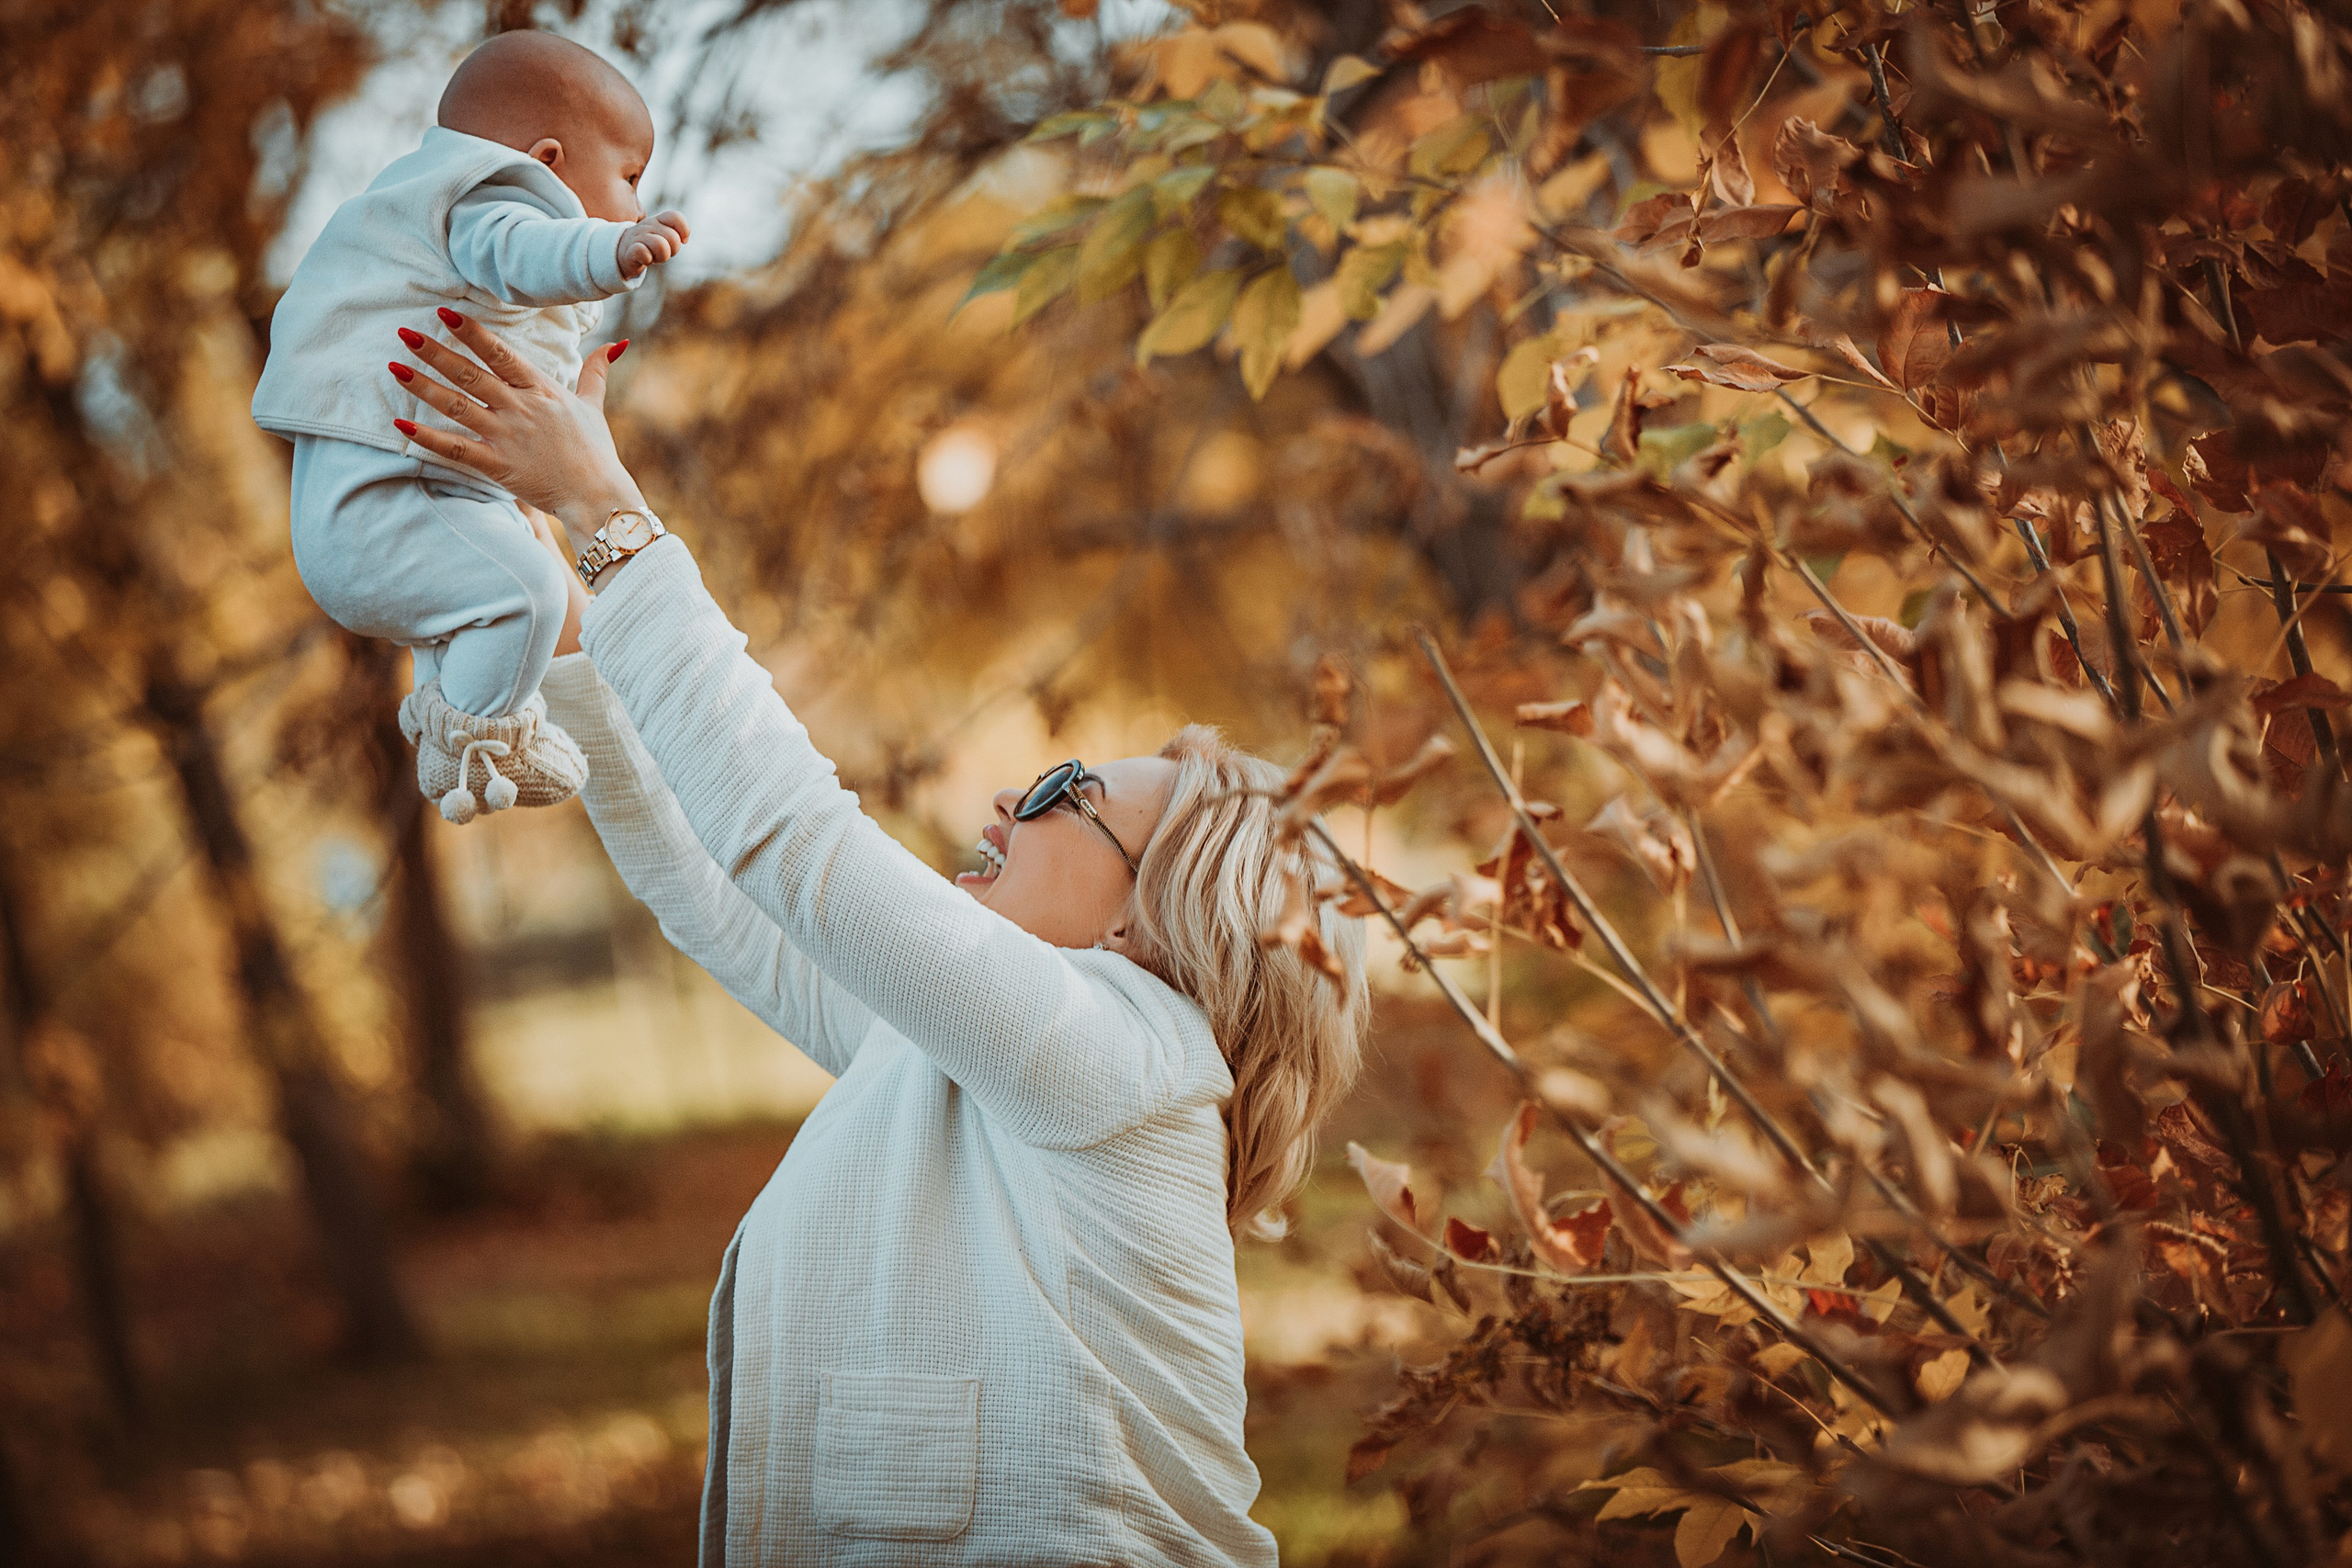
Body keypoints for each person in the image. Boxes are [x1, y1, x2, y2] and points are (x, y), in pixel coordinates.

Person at [379, 312, 1372, 1563]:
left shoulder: (1133, 1053)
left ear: (1151, 916)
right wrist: (562, 616)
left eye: (1070, 785)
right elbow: (722, 891)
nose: (1013, 796)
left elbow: (795, 841)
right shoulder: (975, 1057)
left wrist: (607, 506)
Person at [252, 32, 691, 821]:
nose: (636, 202)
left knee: (499, 589)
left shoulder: (441, 236)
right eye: (630, 178)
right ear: (548, 161)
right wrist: (610, 247)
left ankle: (453, 722)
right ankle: (481, 736)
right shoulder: (488, 203)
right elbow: (519, 250)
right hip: (379, 508)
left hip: (409, 501)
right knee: (529, 594)